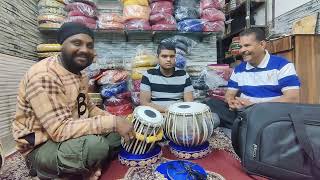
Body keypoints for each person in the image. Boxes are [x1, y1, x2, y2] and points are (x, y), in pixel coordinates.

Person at [12, 22, 134, 180]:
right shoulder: (45, 75)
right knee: (97, 146)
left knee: (117, 136)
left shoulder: (79, 73)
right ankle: (45, 170)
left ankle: (84, 167)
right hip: (42, 146)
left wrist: (118, 122)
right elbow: (59, 130)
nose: (84, 49)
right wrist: (113, 122)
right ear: (62, 45)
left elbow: (88, 109)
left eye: (89, 45)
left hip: (71, 136)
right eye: (77, 43)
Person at [205, 27, 301, 129]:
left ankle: (247, 128)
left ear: (262, 44)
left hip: (271, 115)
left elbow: (292, 98)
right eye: (240, 46)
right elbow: (229, 94)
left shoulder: (282, 65)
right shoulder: (239, 69)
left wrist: (255, 106)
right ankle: (247, 127)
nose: (242, 50)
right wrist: (231, 102)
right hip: (245, 113)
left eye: (247, 46)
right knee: (211, 103)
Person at [140, 42, 194, 113]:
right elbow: (145, 103)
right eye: (164, 56)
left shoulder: (184, 75)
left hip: (178, 115)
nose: (168, 59)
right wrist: (167, 110)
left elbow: (189, 103)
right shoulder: (148, 75)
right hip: (156, 116)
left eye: (172, 56)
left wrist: (175, 114)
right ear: (157, 57)